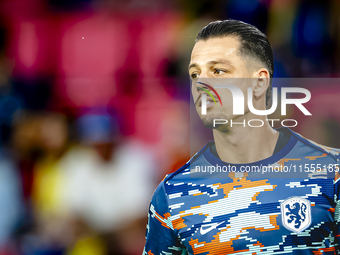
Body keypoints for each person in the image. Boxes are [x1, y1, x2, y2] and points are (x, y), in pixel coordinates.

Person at [143, 19, 340, 254]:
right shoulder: (172, 194)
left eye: (218, 70)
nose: (202, 83)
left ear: (259, 83)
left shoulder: (332, 173)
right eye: (195, 74)